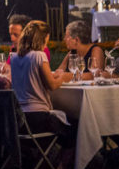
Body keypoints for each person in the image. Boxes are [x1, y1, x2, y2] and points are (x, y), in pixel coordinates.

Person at [11, 20, 75, 150]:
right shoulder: (39, 56)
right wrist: (64, 78)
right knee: (76, 129)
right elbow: (52, 85)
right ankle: (61, 168)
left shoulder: (14, 57)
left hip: (17, 119)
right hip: (37, 119)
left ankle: (46, 164)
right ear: (43, 37)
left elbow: (32, 78)